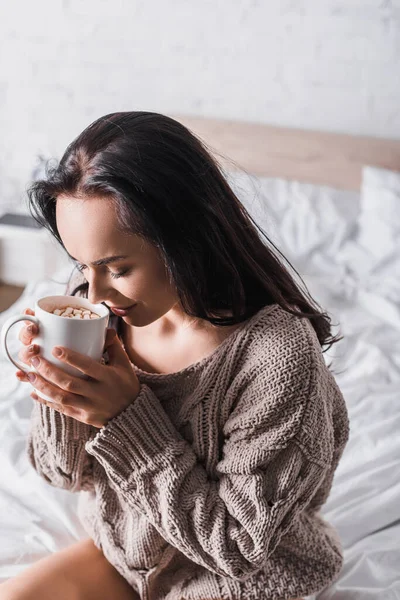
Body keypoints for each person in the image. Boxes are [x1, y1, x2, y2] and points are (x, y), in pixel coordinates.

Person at [0, 112, 349, 600]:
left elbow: (238, 546)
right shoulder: (101, 311)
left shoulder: (278, 359)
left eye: (117, 268)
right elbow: (65, 474)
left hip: (237, 578)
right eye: (82, 265)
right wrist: (58, 392)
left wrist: (124, 418)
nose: (94, 292)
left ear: (186, 238)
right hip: (128, 553)